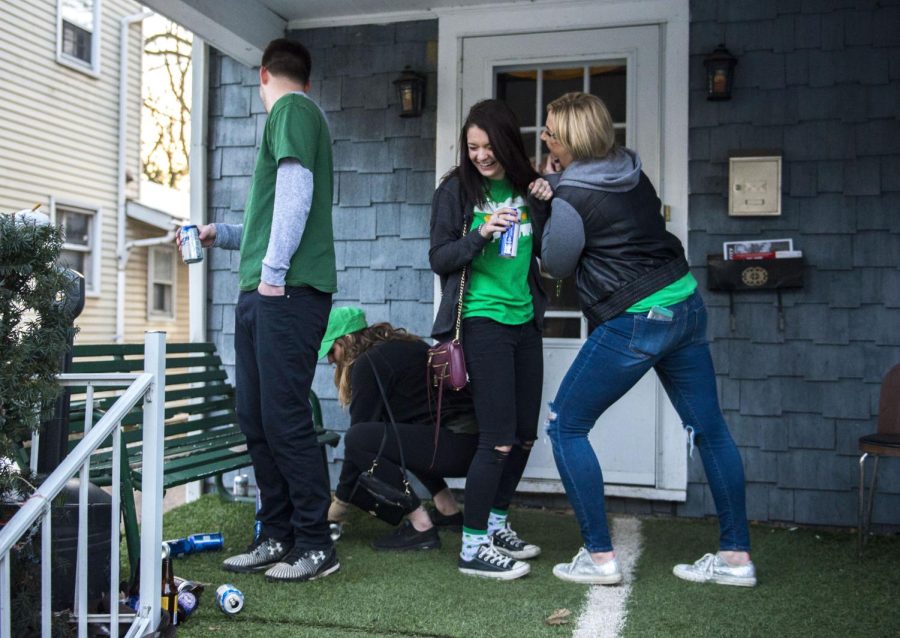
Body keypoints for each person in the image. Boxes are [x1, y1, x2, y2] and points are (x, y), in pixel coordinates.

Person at [539, 92, 756, 587]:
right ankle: (736, 558)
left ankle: (598, 558)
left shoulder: (570, 200)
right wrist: (558, 180)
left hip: (637, 317)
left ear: (568, 140)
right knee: (710, 430)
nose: (545, 135)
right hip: (686, 305)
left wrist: (548, 197)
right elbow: (605, 206)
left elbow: (557, 263)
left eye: (550, 130)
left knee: (565, 425)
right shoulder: (630, 170)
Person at [178, 38, 338, 582]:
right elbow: (275, 218)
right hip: (266, 291)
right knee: (257, 417)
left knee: (285, 418)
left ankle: (317, 545)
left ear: (263, 73)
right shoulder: (296, 115)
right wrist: (220, 234)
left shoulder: (292, 110)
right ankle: (277, 534)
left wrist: (271, 276)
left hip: (285, 292)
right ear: (307, 76)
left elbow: (296, 192)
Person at [429, 99, 553, 580]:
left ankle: (497, 522)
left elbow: (549, 251)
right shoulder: (456, 190)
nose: (480, 155)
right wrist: (481, 233)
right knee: (497, 438)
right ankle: (473, 546)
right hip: (481, 321)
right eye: (472, 146)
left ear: (507, 144)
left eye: (488, 146)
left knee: (523, 435)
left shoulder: (526, 188)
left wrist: (546, 198)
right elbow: (440, 258)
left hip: (525, 322)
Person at [320, 306, 478, 551]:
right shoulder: (405, 344)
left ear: (348, 340)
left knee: (359, 438)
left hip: (454, 447)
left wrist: (338, 507)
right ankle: (448, 511)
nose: (330, 359)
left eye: (332, 350)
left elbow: (357, 444)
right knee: (401, 431)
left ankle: (421, 527)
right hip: (469, 445)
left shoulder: (367, 364)